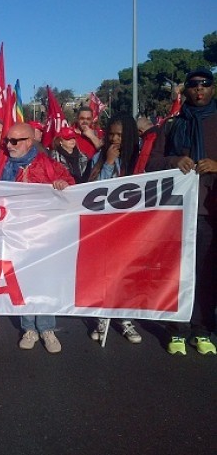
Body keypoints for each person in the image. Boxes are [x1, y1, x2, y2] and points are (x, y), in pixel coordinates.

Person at [147, 67, 217, 356]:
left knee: (207, 273)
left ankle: (201, 329)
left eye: (205, 84)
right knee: (177, 273)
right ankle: (177, 328)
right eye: (193, 85)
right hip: (178, 213)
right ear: (185, 91)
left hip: (211, 213)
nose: (199, 89)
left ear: (212, 89)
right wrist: (175, 160)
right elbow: (152, 163)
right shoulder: (172, 125)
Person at [0, 122, 75, 353]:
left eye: (15, 141)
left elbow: (72, 187)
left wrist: (64, 186)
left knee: (43, 279)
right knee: (22, 281)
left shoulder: (48, 165)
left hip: (44, 235)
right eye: (7, 141)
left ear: (29, 142)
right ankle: (28, 327)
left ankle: (46, 328)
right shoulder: (3, 166)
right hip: (15, 234)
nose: (9, 145)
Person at [87, 114, 143, 344]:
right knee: (105, 273)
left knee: (126, 274)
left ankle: (125, 318)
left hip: (131, 225)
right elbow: (92, 187)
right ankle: (103, 316)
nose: (115, 139)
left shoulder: (138, 159)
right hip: (104, 224)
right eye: (111, 134)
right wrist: (108, 163)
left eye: (120, 135)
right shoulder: (99, 157)